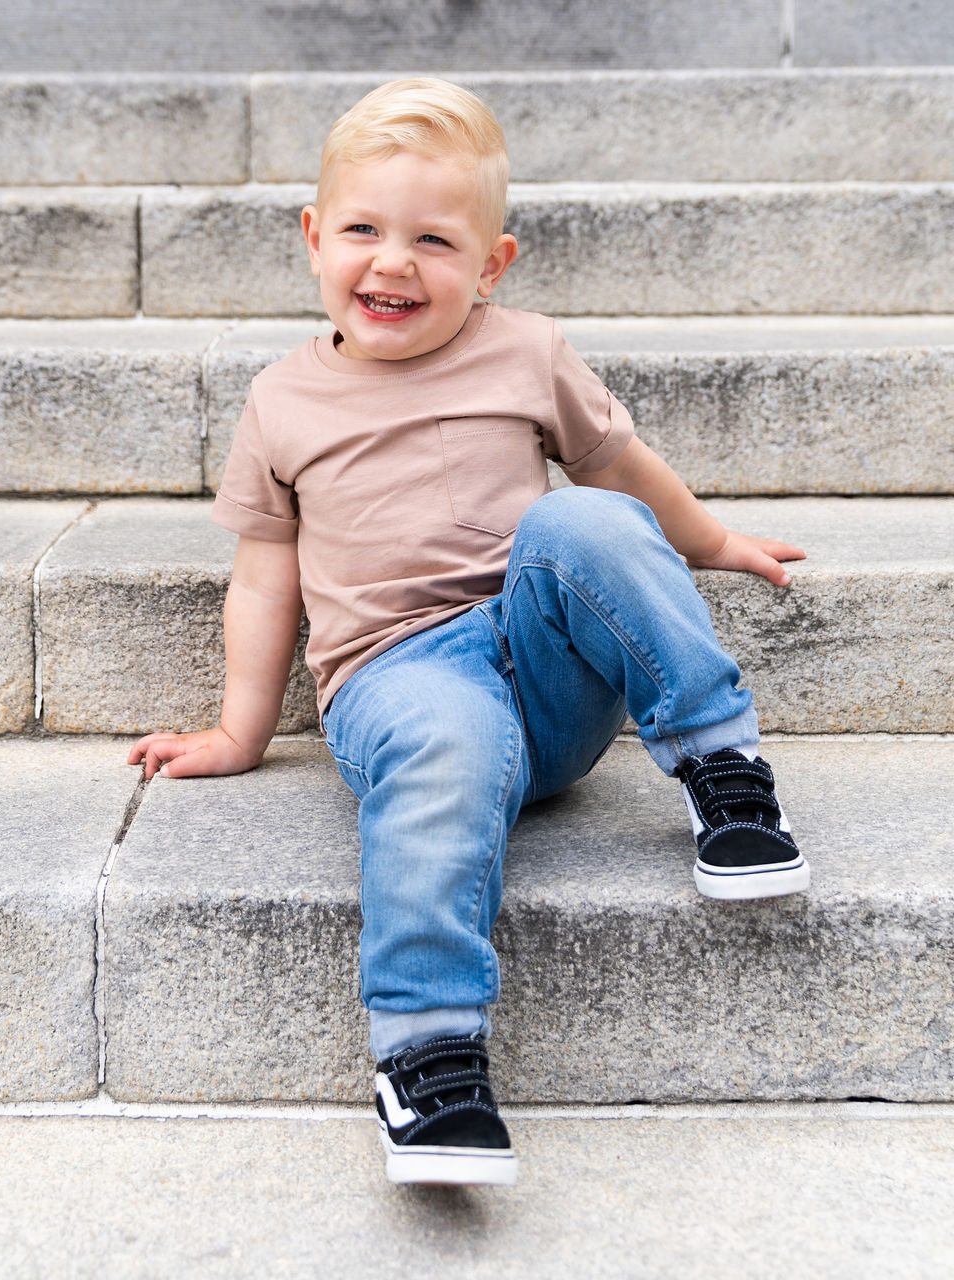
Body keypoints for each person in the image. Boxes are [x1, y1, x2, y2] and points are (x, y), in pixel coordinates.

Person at [129, 77, 810, 1188]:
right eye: (362, 229)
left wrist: (713, 540)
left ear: (492, 264)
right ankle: (428, 1050)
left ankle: (722, 768)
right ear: (312, 239)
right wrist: (238, 730)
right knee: (443, 731)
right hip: (400, 684)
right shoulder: (282, 402)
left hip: (545, 675)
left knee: (581, 516)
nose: (391, 263)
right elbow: (264, 579)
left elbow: (620, 477)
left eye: (433, 241)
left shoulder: (526, 351)